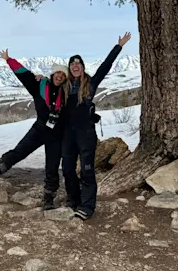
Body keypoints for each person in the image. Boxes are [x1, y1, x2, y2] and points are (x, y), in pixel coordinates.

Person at [0, 49, 68, 210]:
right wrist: (8, 59)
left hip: (56, 134)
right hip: (40, 129)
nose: (59, 77)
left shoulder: (66, 92)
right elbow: (24, 74)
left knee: (52, 167)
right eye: (58, 74)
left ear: (64, 79)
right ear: (53, 74)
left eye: (63, 76)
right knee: (18, 152)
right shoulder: (39, 85)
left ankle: (48, 199)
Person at [62, 32, 132, 220]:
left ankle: (87, 206)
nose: (76, 66)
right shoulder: (64, 86)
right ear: (69, 69)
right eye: (72, 64)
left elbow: (105, 66)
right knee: (67, 169)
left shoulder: (90, 84)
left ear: (83, 67)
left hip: (85, 133)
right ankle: (74, 200)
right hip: (68, 134)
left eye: (79, 64)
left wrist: (119, 46)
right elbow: (47, 85)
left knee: (86, 170)